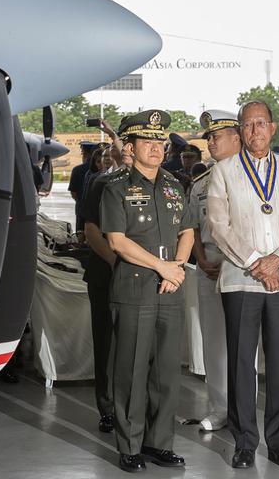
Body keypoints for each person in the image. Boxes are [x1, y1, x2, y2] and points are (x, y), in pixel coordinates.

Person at [208, 101, 279, 470]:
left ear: (272, 127)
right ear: (240, 131)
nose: (254, 131)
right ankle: (245, 441)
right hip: (241, 277)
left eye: (260, 123)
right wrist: (256, 262)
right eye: (247, 125)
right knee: (241, 362)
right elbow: (220, 227)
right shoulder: (223, 172)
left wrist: (277, 259)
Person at [100, 110, 194, 472]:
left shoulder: (174, 184)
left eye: (160, 142)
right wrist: (162, 267)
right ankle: (130, 445)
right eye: (148, 141)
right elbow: (118, 242)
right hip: (135, 291)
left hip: (171, 290)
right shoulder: (116, 187)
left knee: (167, 373)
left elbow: (187, 229)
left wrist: (179, 268)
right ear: (131, 145)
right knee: (131, 372)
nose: (156, 148)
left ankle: (160, 444)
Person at [188, 109, 241, 433]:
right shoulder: (200, 183)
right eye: (208, 137)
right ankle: (219, 407)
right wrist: (201, 259)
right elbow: (192, 226)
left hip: (240, 266)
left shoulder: (252, 178)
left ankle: (242, 409)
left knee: (245, 341)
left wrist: (230, 259)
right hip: (208, 266)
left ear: (236, 138)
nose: (210, 142)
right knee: (214, 341)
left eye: (216, 136)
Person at [81, 126, 129, 434]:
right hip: (106, 273)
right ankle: (108, 407)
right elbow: (91, 231)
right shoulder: (101, 182)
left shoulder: (161, 183)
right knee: (108, 344)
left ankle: (138, 406)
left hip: (145, 276)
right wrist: (117, 262)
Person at [68, 140, 98, 232]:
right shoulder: (104, 170)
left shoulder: (77, 170)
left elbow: (74, 193)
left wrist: (82, 201)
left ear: (85, 154)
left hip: (82, 209)